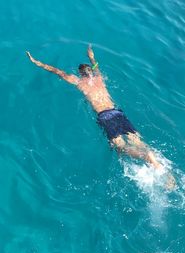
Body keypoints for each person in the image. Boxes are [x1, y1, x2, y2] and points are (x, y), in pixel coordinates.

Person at [26, 45, 174, 183]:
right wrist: (90, 55)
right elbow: (95, 63)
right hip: (117, 113)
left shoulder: (79, 82)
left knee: (120, 148)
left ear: (80, 74)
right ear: (91, 71)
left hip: (105, 116)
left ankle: (146, 157)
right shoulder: (99, 77)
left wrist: (36, 62)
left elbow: (57, 71)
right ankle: (166, 175)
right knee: (138, 142)